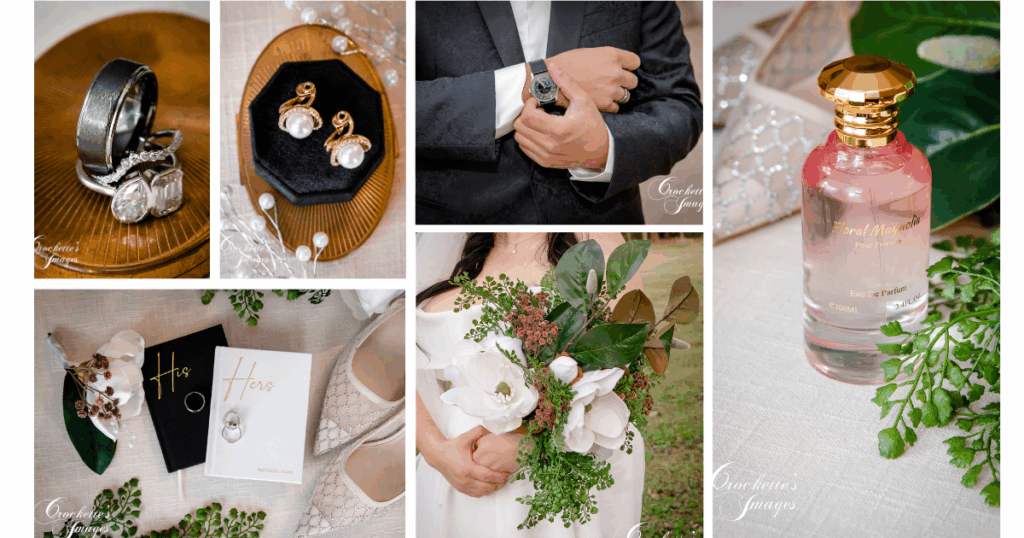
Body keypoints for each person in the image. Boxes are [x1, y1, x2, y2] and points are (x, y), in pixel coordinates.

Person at [415, 233, 646, 537]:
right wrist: (436, 453)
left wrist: (531, 442)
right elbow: (414, 372)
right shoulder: (447, 247)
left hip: (566, 466)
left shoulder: (592, 237)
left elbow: (631, 351)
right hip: (454, 479)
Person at [416, 2, 703, 224]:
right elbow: (402, 109)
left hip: (603, 223)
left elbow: (680, 103)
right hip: (452, 225)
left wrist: (604, 147)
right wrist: (541, 82)